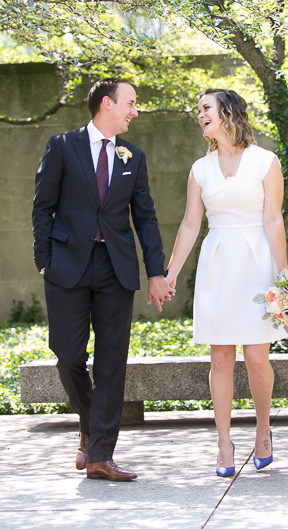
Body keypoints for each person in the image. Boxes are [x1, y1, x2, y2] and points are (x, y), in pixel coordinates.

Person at [32, 77, 174, 482]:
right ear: (107, 104)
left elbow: (144, 218)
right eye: (130, 103)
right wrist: (45, 260)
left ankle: (100, 456)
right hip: (66, 266)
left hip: (116, 269)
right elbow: (42, 207)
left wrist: (156, 272)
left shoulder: (134, 157)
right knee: (68, 355)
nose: (135, 110)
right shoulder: (62, 147)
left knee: (112, 363)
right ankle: (90, 423)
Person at [166, 88, 288, 476]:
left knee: (256, 358)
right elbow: (190, 224)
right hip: (217, 263)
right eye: (198, 109)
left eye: (206, 108)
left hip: (257, 263)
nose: (199, 114)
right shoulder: (199, 169)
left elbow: (273, 218)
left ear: (227, 113)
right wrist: (169, 274)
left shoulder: (265, 161)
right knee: (220, 359)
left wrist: (284, 275)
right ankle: (223, 444)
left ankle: (263, 431)